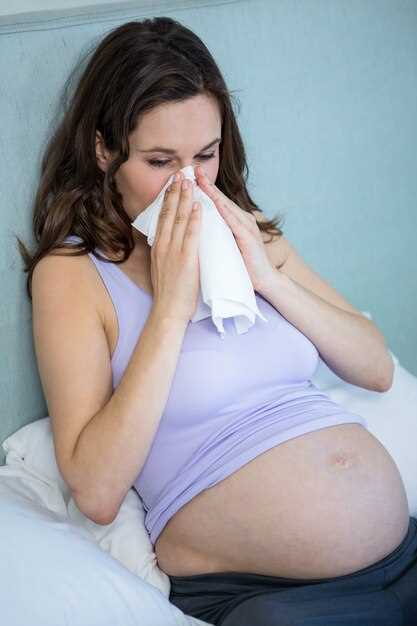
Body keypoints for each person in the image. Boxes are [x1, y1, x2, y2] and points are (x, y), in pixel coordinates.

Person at [18, 17, 416, 626]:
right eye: (160, 160)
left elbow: (376, 369)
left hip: (401, 553)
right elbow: (96, 492)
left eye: (205, 154)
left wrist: (269, 278)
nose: (190, 183)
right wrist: (171, 308)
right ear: (104, 150)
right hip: (270, 596)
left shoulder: (245, 230)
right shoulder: (73, 275)